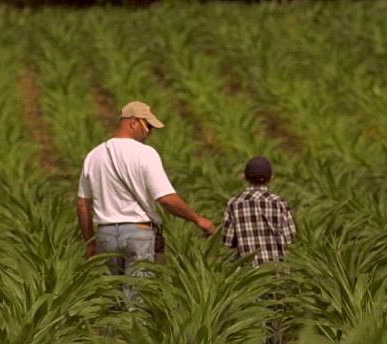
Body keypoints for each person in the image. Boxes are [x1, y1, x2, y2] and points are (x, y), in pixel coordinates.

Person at [76, 101, 215, 302]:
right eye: (148, 126)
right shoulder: (145, 154)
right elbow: (166, 198)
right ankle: (134, 333)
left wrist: (89, 242)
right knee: (137, 301)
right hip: (138, 233)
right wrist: (197, 219)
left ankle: (112, 334)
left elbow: (82, 203)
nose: (150, 133)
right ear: (133, 122)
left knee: (111, 303)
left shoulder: (94, 155)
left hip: (105, 235)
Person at [222, 156, 296, 344]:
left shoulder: (234, 203)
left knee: (253, 322)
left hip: (248, 273)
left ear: (245, 177)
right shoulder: (280, 203)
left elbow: (228, 240)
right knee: (275, 318)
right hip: (275, 271)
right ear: (271, 178)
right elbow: (289, 237)